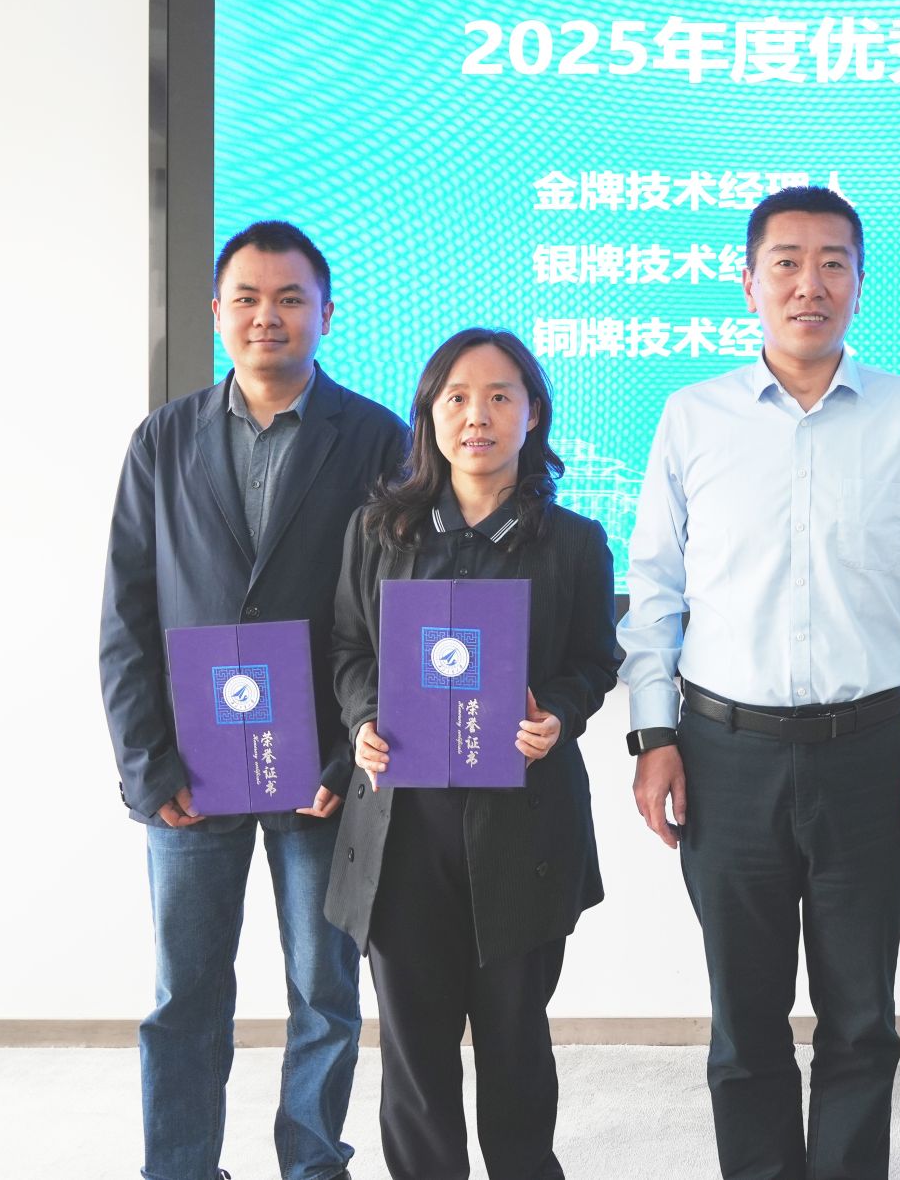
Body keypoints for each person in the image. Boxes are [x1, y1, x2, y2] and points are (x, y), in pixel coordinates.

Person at [621, 186, 900, 1180]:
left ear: (860, 283)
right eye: (785, 262)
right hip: (722, 752)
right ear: (748, 283)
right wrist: (652, 737)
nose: (808, 284)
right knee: (744, 1023)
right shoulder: (692, 417)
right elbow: (653, 591)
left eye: (832, 263)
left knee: (861, 1020)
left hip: (870, 751)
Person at [100, 220, 405, 1180]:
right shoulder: (164, 438)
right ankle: (180, 1167)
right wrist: (147, 767)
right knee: (185, 995)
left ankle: (312, 1164)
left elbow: (395, 611)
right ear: (217, 312)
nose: (266, 315)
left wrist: (349, 753)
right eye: (247, 298)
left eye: (289, 298)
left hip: (324, 769)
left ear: (327, 313)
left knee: (326, 992)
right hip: (191, 771)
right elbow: (126, 613)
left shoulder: (377, 438)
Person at [321, 328, 617, 1180]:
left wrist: (557, 715)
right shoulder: (378, 532)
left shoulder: (573, 542)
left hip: (523, 823)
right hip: (403, 828)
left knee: (515, 1042)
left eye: (498, 397)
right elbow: (348, 651)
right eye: (456, 397)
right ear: (430, 415)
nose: (476, 416)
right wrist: (362, 717)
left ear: (533, 414)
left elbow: (593, 662)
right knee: (414, 1053)